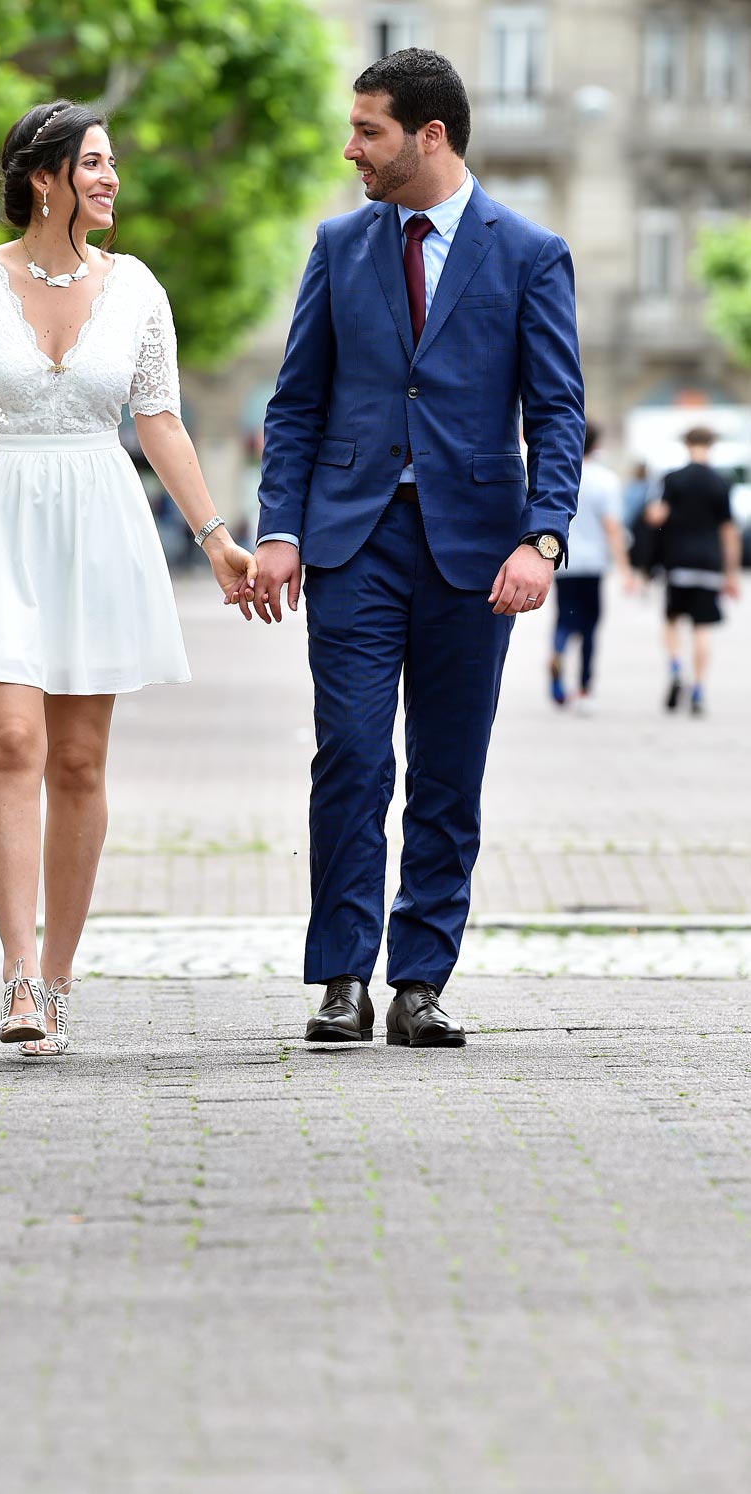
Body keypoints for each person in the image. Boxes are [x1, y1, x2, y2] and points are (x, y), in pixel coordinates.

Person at [0, 101, 256, 1054]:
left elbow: (160, 420)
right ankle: (16, 978)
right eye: (93, 164)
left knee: (80, 760)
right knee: (13, 742)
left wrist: (217, 535)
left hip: (99, 519)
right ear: (43, 176)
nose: (109, 179)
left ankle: (60, 977)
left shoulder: (138, 288)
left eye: (111, 165)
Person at [252, 49, 584, 1048]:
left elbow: (558, 413)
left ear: (428, 134)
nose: (350, 148)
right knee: (349, 757)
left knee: (447, 770)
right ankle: (343, 977)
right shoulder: (337, 245)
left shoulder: (527, 252)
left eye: (368, 131)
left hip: (477, 552)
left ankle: (420, 982)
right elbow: (296, 402)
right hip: (351, 542)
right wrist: (277, 529)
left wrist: (542, 538)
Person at [644, 427, 741, 716]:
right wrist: (732, 573)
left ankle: (675, 667)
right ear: (712, 445)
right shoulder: (721, 482)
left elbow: (656, 516)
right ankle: (698, 689)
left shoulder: (673, 478)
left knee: (672, 620)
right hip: (710, 563)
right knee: (702, 628)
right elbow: (728, 531)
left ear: (686, 444)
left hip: (678, 561)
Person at [550, 420, 634, 713]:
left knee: (563, 618)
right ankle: (584, 688)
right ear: (597, 445)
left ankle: (557, 654)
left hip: (563, 562)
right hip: (594, 564)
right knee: (589, 627)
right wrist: (625, 569)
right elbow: (612, 528)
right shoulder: (605, 480)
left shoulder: (563, 476)